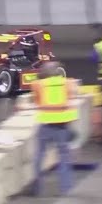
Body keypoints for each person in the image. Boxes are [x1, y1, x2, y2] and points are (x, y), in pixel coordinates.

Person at [30, 61, 78, 195]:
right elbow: (70, 98)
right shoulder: (68, 83)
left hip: (45, 124)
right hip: (63, 126)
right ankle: (65, 188)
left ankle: (37, 189)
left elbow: (37, 101)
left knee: (39, 156)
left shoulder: (38, 85)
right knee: (64, 157)